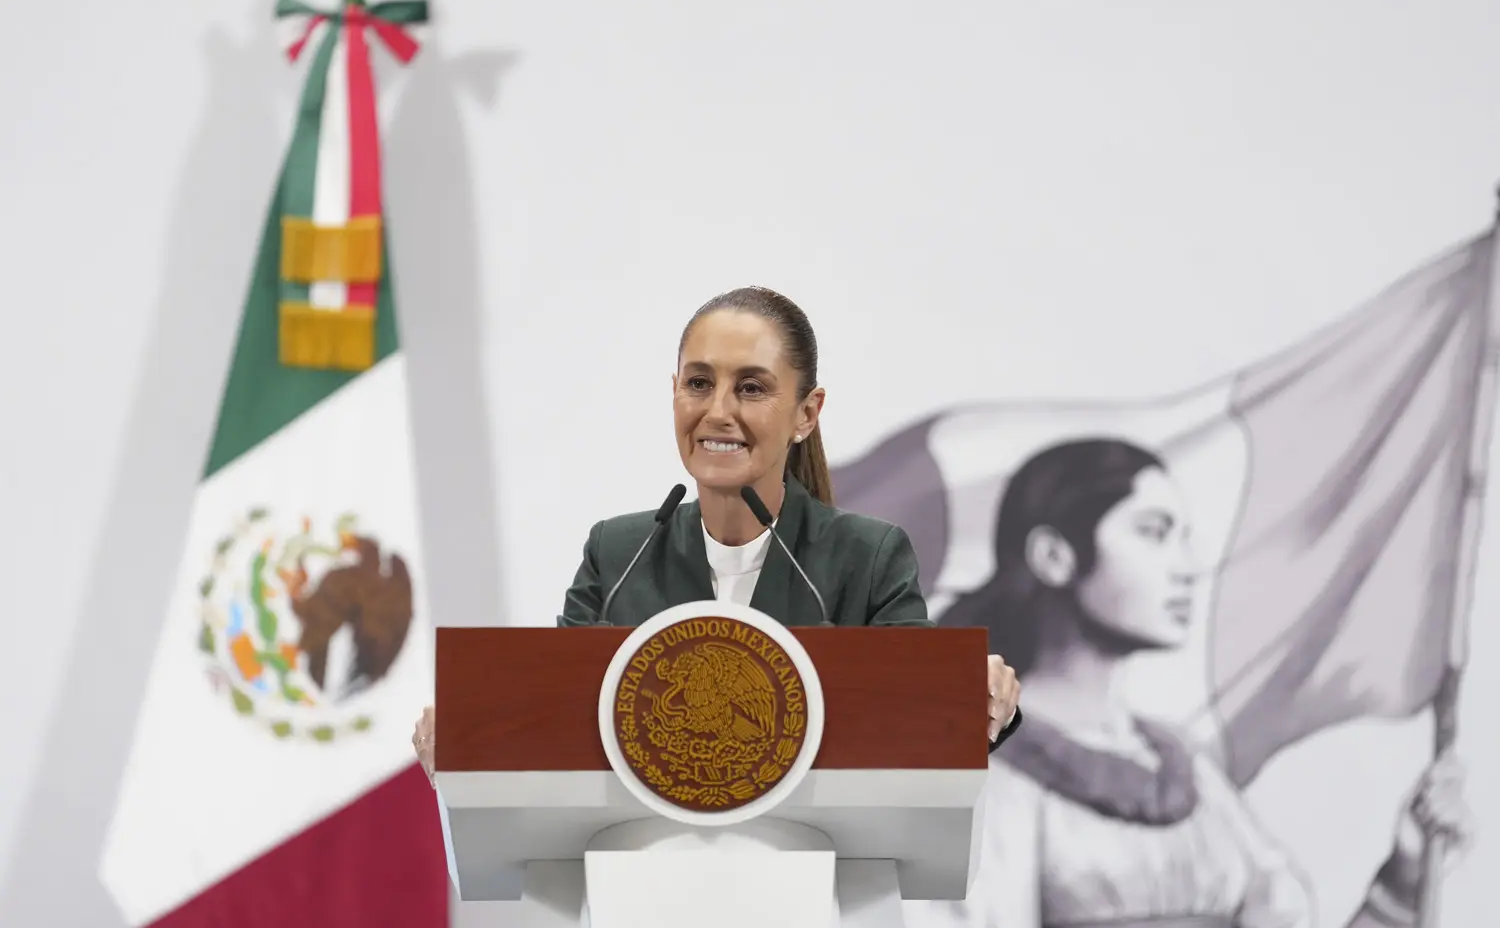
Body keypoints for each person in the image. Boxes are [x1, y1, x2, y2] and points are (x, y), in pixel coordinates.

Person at [413, 286, 1022, 776]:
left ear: (807, 414)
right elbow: (552, 722)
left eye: (751, 387)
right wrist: (470, 737)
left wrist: (984, 701)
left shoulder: (866, 557)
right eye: (698, 383)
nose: (718, 410)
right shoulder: (618, 553)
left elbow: (925, 722)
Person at [923, 437, 1472, 928]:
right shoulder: (975, 765)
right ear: (1054, 555)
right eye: (1154, 532)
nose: (1187, 567)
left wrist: (1403, 877)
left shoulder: (1186, 771)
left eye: (1185, 537)